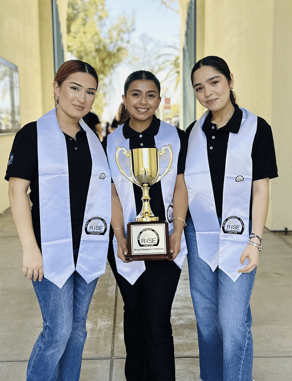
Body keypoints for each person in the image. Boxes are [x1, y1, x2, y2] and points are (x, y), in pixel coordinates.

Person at [5, 60, 111, 381]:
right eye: (74, 88)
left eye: (89, 92)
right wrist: (29, 249)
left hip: (87, 248)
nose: (81, 98)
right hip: (49, 250)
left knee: (78, 330)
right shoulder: (32, 134)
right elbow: (16, 192)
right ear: (57, 88)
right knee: (58, 331)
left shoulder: (92, 139)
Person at [184, 56, 278, 381]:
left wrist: (257, 240)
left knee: (233, 322)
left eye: (214, 82)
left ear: (230, 81)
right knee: (208, 323)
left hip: (240, 238)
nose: (208, 92)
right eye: (199, 87)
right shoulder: (192, 133)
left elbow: (261, 190)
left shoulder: (256, 128)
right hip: (200, 236)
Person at [104, 70, 188, 381]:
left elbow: (181, 185)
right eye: (135, 94)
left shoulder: (175, 137)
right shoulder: (110, 141)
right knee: (133, 315)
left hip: (167, 242)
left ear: (159, 99)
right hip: (125, 244)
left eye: (150, 94)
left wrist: (177, 229)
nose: (143, 101)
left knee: (157, 319)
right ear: (124, 99)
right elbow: (111, 190)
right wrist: (119, 235)